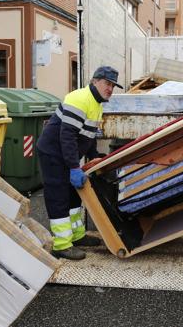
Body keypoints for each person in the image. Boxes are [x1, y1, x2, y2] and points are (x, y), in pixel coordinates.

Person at [37, 66, 121, 260]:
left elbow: (88, 136)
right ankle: (62, 245)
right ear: (95, 81)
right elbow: (67, 137)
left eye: (113, 86)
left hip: (67, 154)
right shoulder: (79, 98)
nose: (110, 89)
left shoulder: (97, 104)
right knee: (58, 196)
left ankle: (76, 235)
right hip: (53, 153)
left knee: (74, 196)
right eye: (107, 84)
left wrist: (93, 156)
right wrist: (74, 168)